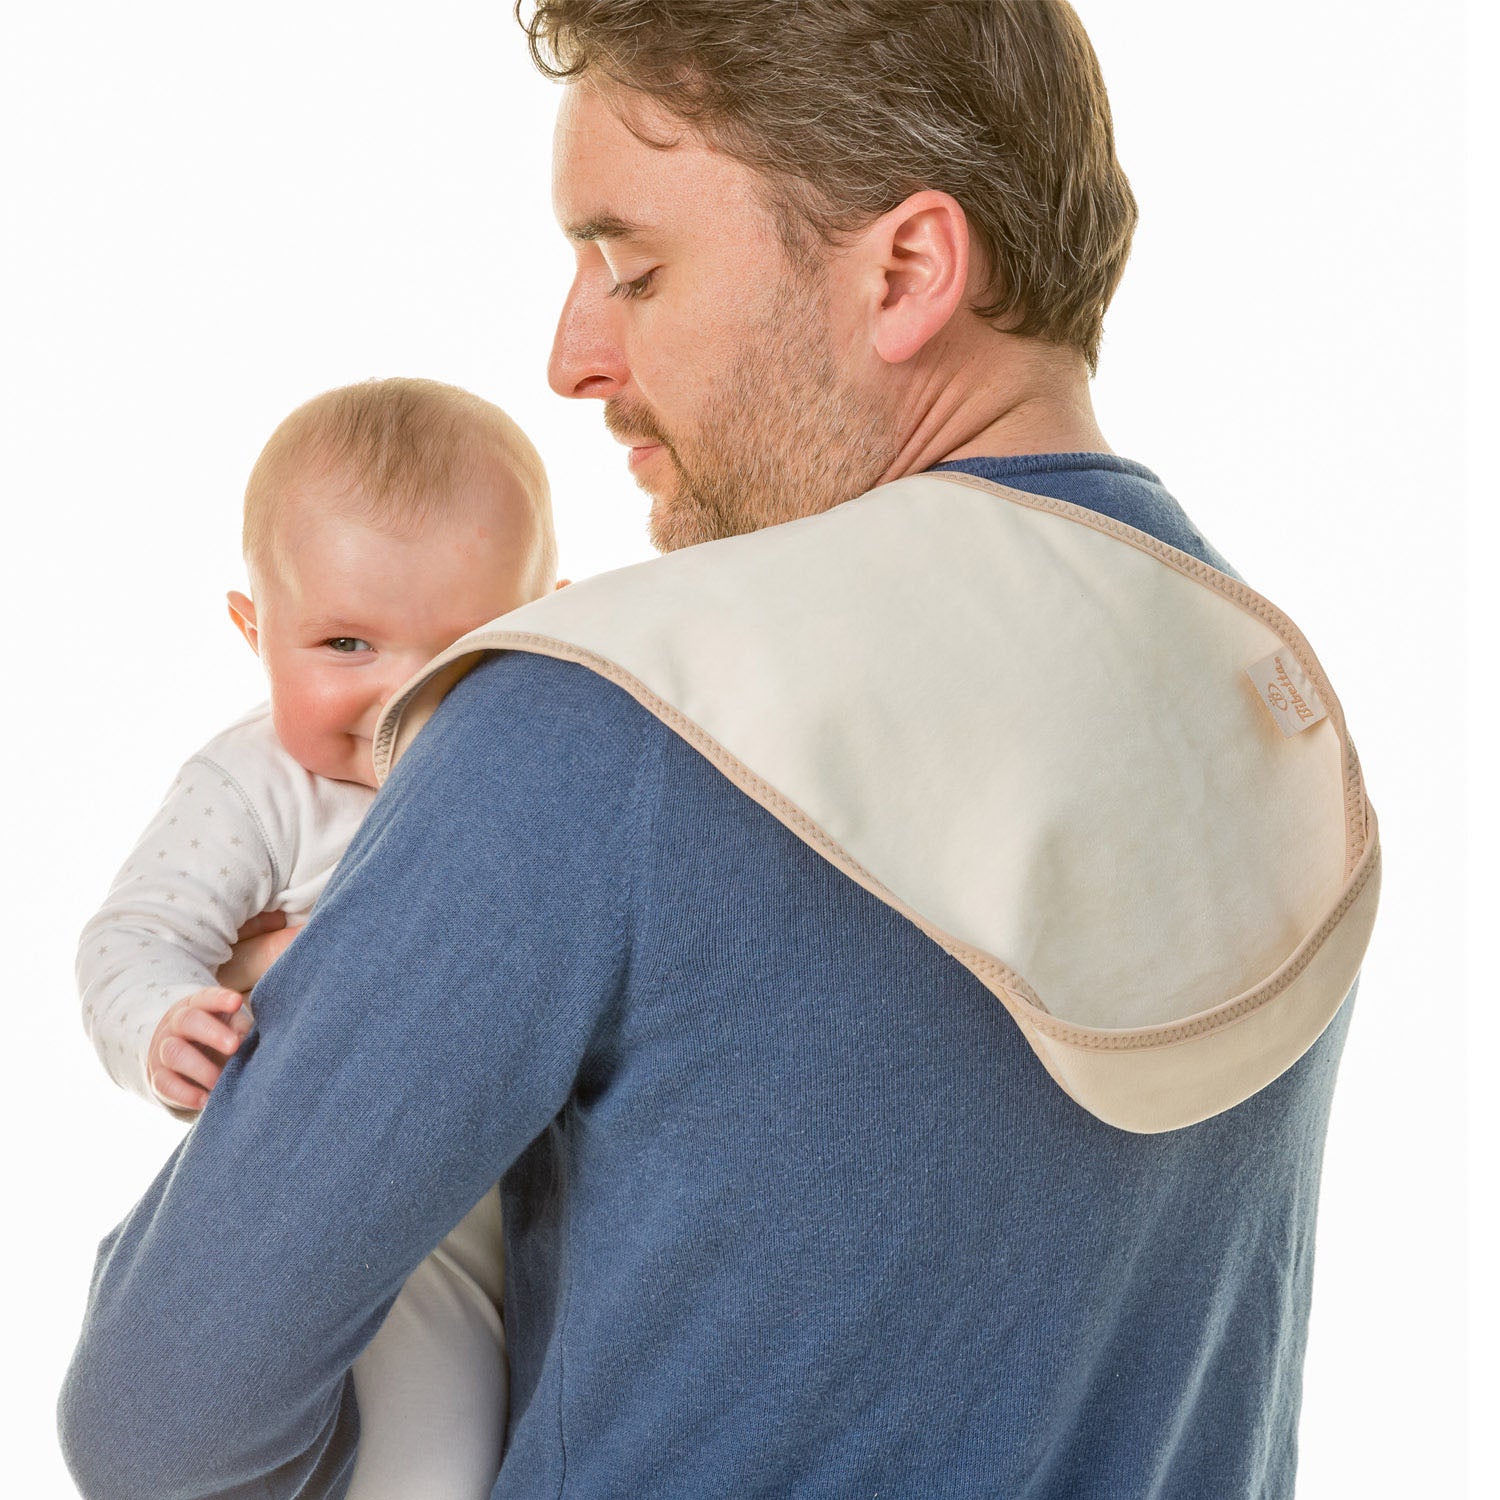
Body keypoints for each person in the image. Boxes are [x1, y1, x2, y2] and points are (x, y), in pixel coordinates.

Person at [59, 4, 1380, 1497]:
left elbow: (160, 1423)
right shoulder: (1269, 706)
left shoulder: (600, 721)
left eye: (633, 268)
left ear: (907, 271)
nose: (570, 357)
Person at [73, 376, 561, 1500]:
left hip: (530, 1199)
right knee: (436, 1452)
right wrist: (164, 1022)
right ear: (253, 630)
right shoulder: (254, 786)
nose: (401, 692)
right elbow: (131, 936)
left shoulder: (540, 768)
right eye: (345, 643)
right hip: (370, 1216)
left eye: (465, 648)